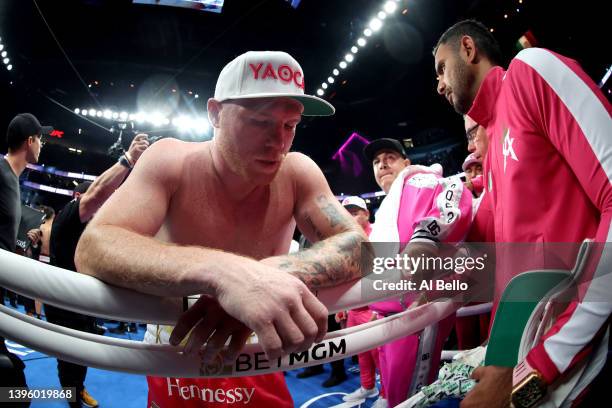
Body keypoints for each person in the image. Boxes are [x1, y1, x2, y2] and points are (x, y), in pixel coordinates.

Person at [74, 51, 368, 407]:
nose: (277, 142)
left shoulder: (297, 171)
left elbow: (358, 246)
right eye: (260, 121)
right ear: (214, 113)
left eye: (290, 125)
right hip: (178, 346)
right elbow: (95, 244)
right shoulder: (172, 160)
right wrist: (222, 273)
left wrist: (266, 274)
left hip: (259, 343)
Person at [433, 19, 612, 407]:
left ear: (468, 48)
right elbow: (479, 257)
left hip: (572, 361)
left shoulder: (531, 71)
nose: (439, 85)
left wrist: (540, 366)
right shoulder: (493, 140)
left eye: (441, 68)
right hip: (522, 355)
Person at [362, 138, 473, 407]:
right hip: (387, 314)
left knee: (408, 398)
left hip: (414, 313)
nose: (382, 164)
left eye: (390, 157)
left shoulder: (419, 181)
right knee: (394, 392)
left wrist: (425, 238)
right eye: (376, 162)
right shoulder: (389, 207)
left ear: (406, 163)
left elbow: (454, 192)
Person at [45, 134, 149, 408]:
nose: (97, 208)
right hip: (64, 302)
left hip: (81, 301)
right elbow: (96, 194)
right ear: (78, 197)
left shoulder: (89, 227)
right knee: (69, 356)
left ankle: (77, 390)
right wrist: (127, 160)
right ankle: (72, 395)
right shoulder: (68, 215)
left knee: (80, 356)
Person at [0, 112, 51, 402]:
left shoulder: (12, 181)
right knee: (16, 392)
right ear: (29, 141)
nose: (42, 144)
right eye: (40, 139)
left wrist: (22, 246)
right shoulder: (0, 172)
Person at [337, 196, 388, 407]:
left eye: (355, 212)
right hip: (355, 309)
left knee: (380, 355)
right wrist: (343, 306)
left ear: (366, 214)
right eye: (347, 213)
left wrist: (379, 307)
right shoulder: (347, 241)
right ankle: (368, 387)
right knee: (361, 353)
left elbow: (385, 273)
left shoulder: (378, 234)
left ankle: (386, 394)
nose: (350, 217)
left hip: (372, 308)